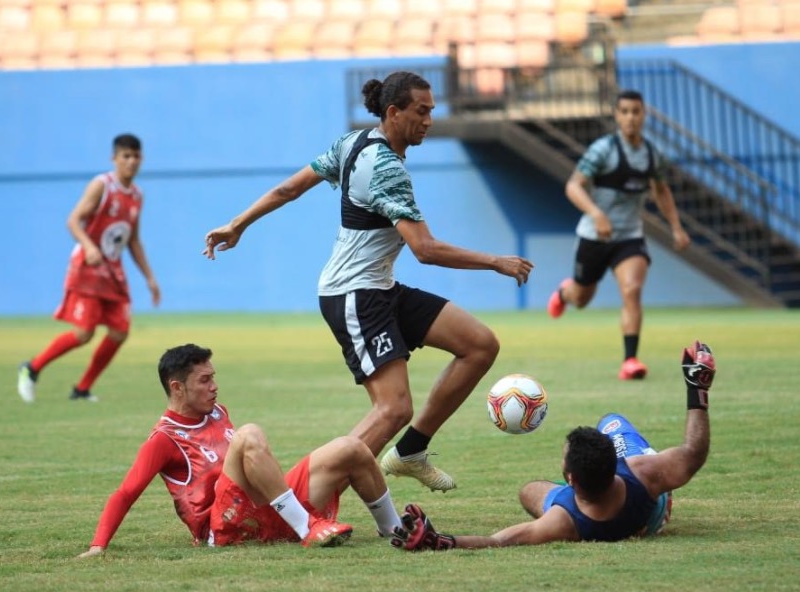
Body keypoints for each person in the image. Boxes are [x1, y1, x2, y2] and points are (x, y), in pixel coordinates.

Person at [202, 71, 533, 493]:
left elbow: (289, 189)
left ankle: (410, 451)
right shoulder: (386, 169)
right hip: (355, 295)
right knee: (392, 409)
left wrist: (238, 224)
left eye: (432, 111)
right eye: (422, 111)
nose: (429, 120)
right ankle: (295, 501)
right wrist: (494, 261)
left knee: (479, 344)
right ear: (394, 112)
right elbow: (425, 249)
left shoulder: (352, 142)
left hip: (379, 287)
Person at [78, 343, 403, 557]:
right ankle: (308, 527)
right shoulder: (164, 438)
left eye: (213, 377)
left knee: (351, 447)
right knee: (248, 435)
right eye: (204, 380)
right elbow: (125, 492)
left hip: (265, 513)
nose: (214, 386)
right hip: (223, 531)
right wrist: (97, 546)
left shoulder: (219, 412)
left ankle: (394, 530)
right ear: (177, 387)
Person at [390, 340, 715, 551]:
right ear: (616, 460)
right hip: (652, 511)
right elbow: (694, 453)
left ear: (571, 481)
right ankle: (662, 499)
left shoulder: (565, 521)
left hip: (594, 508)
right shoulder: (644, 472)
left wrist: (439, 541)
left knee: (529, 490)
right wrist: (695, 390)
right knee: (612, 421)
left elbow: (498, 540)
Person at [547, 90, 691, 380]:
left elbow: (661, 190)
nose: (630, 118)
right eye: (624, 111)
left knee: (632, 290)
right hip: (594, 236)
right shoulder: (603, 150)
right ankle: (565, 293)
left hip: (629, 237)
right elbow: (573, 186)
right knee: (582, 297)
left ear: (643, 115)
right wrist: (597, 214)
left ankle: (630, 361)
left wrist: (676, 227)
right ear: (616, 115)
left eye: (636, 112)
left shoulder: (652, 155)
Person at [17, 134, 161, 403]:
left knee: (119, 332)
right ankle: (32, 368)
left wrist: (150, 278)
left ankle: (81, 389)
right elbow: (73, 220)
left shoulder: (137, 195)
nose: (131, 162)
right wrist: (89, 246)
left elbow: (133, 240)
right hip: (88, 268)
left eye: (135, 156)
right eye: (125, 156)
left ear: (141, 158)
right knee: (85, 332)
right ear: (114, 159)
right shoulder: (102, 186)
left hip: (112, 272)